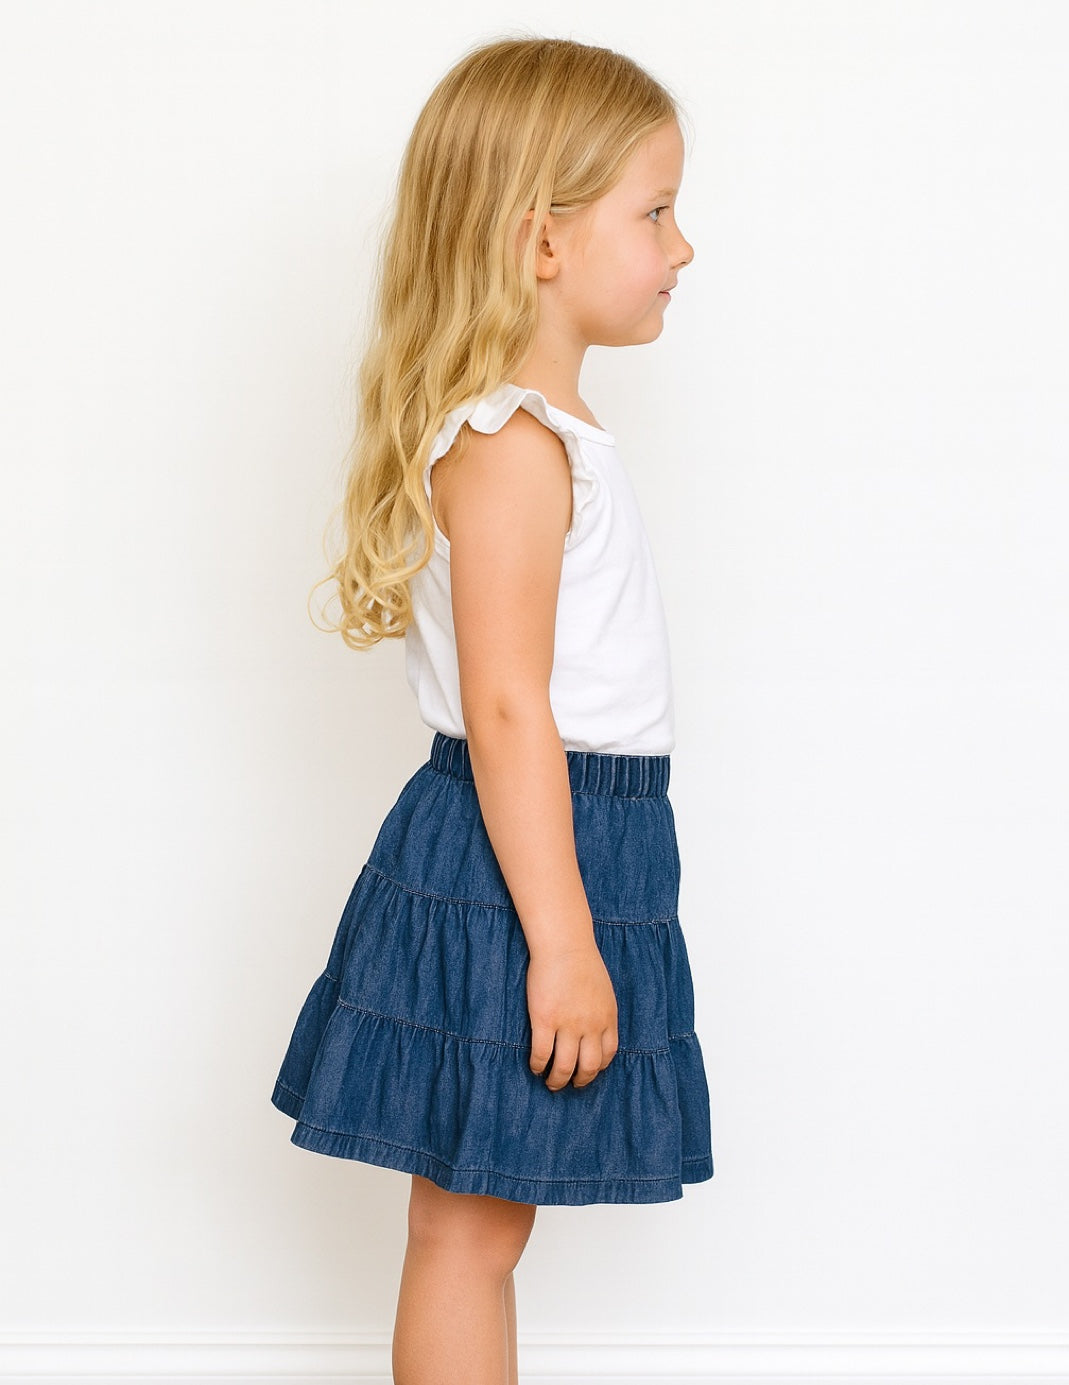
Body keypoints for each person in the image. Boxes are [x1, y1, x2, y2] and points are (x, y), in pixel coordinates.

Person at [271, 34, 714, 1385]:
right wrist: (564, 939)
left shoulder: (542, 435)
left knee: (481, 1219)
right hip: (522, 854)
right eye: (652, 212)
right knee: (466, 1225)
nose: (682, 247)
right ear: (540, 242)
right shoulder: (511, 445)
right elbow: (509, 707)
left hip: (568, 840)